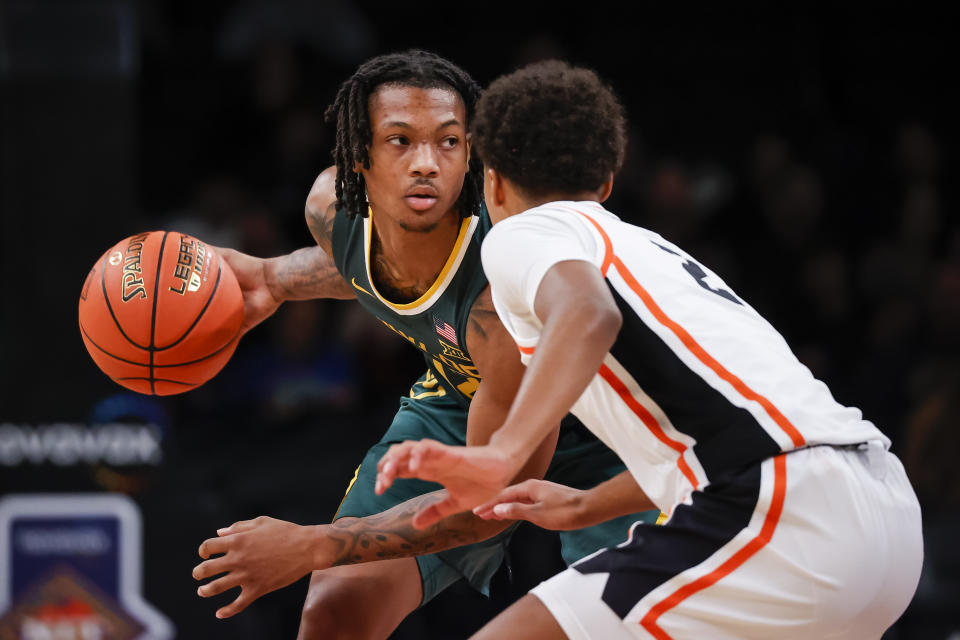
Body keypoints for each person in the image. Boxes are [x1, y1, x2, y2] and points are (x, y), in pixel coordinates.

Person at [376, 60, 924, 639]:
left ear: (494, 183)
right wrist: (588, 507)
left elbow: (589, 314)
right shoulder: (652, 252)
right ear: (607, 183)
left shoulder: (523, 233)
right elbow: (732, 424)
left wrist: (503, 451)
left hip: (784, 511)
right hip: (882, 517)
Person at [191, 50, 658, 639]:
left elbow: (488, 502)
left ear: (472, 157)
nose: (425, 164)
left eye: (448, 142)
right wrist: (276, 279)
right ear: (359, 159)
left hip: (613, 431)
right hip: (465, 400)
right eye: (400, 141)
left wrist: (310, 543)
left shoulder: (500, 291)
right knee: (336, 612)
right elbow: (377, 265)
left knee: (619, 626)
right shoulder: (330, 211)